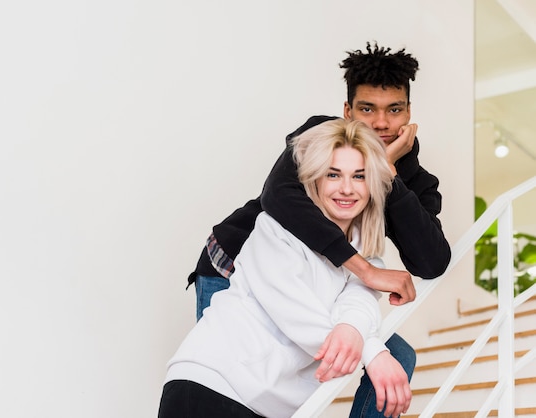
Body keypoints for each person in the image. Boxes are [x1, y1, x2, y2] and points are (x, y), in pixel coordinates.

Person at [187, 42, 451, 416]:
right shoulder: (320, 137)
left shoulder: (415, 181)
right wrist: (367, 269)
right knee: (241, 385)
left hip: (315, 285)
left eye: (394, 109)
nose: (380, 123)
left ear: (409, 112)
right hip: (233, 267)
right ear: (347, 111)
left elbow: (431, 260)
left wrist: (387, 173)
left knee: (398, 356)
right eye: (366, 109)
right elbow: (277, 194)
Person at [160, 119, 411, 418]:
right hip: (212, 383)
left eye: (359, 176)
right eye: (333, 174)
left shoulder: (367, 261)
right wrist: (375, 353)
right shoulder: (275, 229)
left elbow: (359, 304)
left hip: (266, 405)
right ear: (315, 179)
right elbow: (297, 314)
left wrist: (354, 329)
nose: (347, 188)